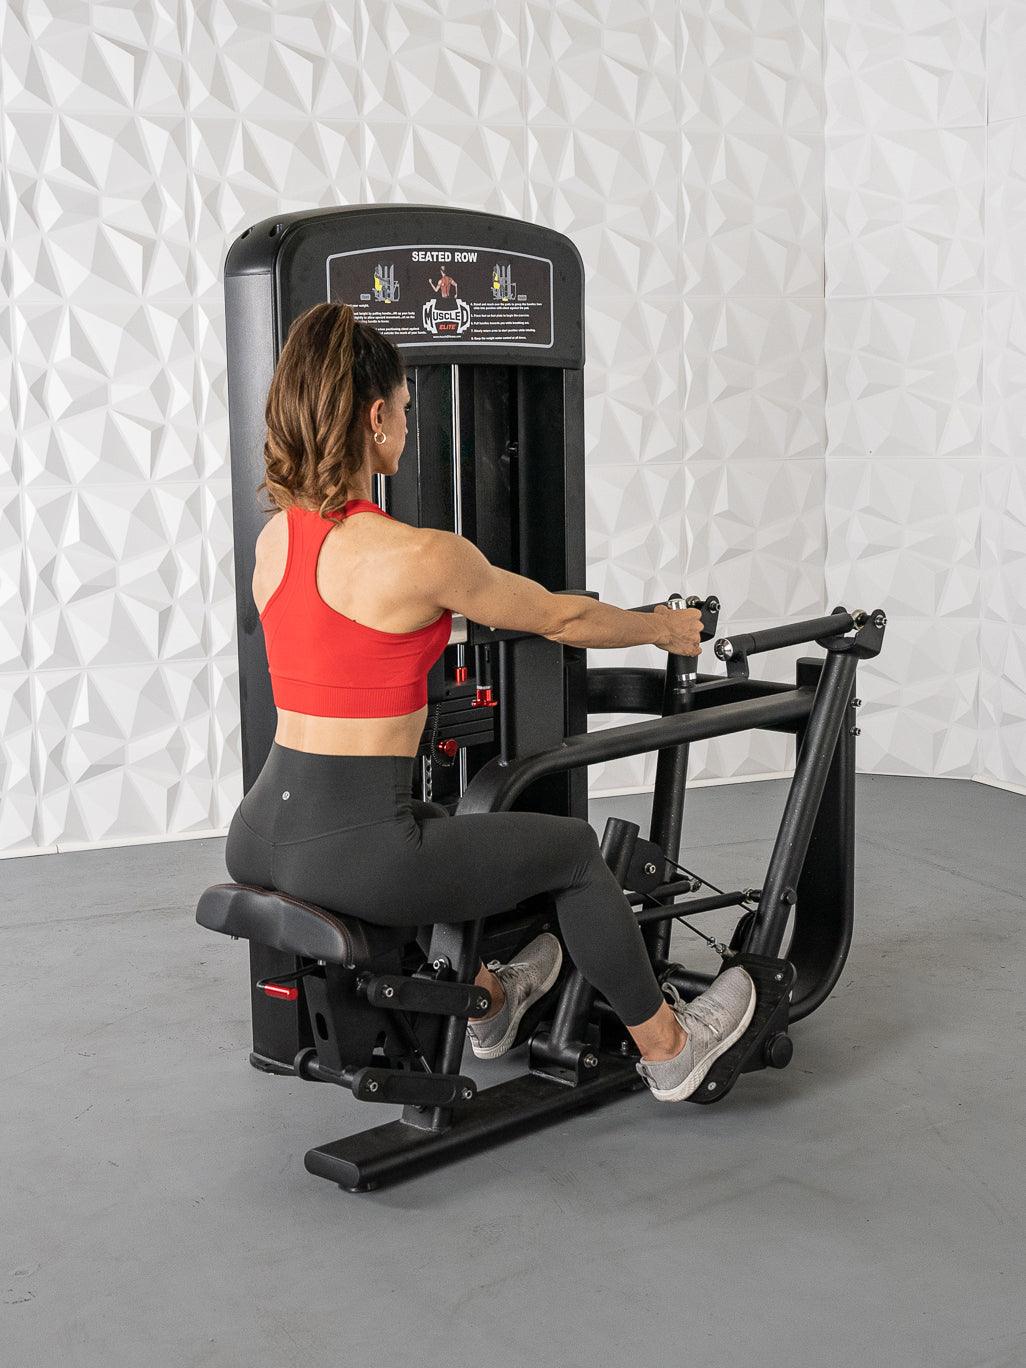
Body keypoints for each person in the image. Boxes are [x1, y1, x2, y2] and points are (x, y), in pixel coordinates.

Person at [224, 302, 756, 1104]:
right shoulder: (423, 556)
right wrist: (661, 628)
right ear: (375, 418)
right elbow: (562, 615)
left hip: (261, 832)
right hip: (352, 849)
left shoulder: (276, 541)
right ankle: (673, 1049)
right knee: (576, 853)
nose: (408, 424)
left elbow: (346, 635)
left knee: (437, 832)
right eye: (405, 409)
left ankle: (495, 1005)